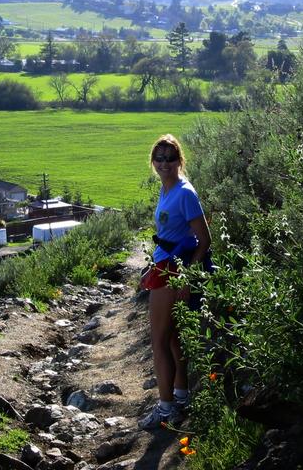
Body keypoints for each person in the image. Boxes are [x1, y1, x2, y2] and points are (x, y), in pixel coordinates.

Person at [138, 134, 211, 430]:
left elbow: (204, 239)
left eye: (170, 158)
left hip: (173, 271)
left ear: (180, 160)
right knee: (172, 338)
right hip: (165, 265)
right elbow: (170, 237)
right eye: (159, 158)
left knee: (158, 342)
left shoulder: (184, 193)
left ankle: (166, 408)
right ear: (153, 161)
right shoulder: (167, 189)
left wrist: (185, 275)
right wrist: (151, 267)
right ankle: (181, 397)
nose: (164, 163)